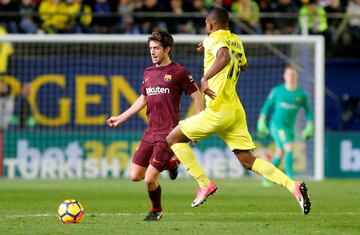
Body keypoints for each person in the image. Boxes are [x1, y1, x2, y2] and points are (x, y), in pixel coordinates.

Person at [166, 7, 311, 215]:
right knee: (248, 161)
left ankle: (204, 184)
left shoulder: (213, 39)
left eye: (206, 25)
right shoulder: (236, 41)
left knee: (172, 139)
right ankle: (293, 186)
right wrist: (212, 49)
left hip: (218, 109)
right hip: (235, 110)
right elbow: (243, 64)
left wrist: (206, 77)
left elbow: (223, 56)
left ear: (210, 24)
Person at [106, 30, 204, 221]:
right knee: (135, 176)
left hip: (168, 134)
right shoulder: (148, 72)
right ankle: (172, 163)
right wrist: (120, 117)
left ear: (167, 49)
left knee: (150, 179)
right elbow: (143, 99)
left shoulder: (179, 72)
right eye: (151, 48)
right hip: (150, 132)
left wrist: (196, 128)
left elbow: (197, 97)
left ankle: (156, 210)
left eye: (157, 48)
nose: (152, 52)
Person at [257, 65, 314, 184]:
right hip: (277, 125)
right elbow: (267, 105)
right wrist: (262, 120)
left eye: (293, 74)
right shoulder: (278, 91)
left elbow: (308, 111)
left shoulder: (301, 94)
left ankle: (267, 177)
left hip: (289, 128)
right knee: (289, 147)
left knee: (280, 152)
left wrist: (309, 125)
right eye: (288, 74)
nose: (290, 77)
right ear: (284, 76)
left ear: (296, 76)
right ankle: (291, 179)